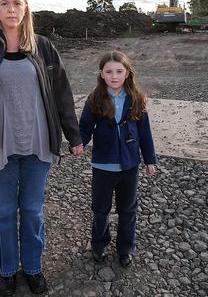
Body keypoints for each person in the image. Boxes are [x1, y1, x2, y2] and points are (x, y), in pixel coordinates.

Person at [0, 0, 84, 296]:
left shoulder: (42, 47)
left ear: (25, 8)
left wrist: (74, 136)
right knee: (3, 212)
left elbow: (62, 94)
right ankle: (6, 271)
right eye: (4, 4)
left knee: (31, 210)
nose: (11, 9)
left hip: (37, 144)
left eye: (17, 3)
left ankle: (32, 268)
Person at [79, 50, 157, 268]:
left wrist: (150, 160)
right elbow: (84, 128)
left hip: (129, 166)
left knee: (128, 209)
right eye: (109, 71)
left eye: (119, 71)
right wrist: (79, 144)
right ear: (101, 74)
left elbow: (145, 132)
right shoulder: (94, 99)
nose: (114, 76)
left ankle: (125, 248)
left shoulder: (137, 99)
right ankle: (99, 244)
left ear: (127, 73)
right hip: (103, 165)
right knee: (100, 209)